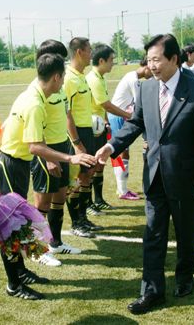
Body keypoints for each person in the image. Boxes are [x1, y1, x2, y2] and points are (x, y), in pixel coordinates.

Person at [96, 34, 194, 314]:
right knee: (153, 235)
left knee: (187, 233)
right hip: (154, 177)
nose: (152, 65)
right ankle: (151, 292)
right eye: (149, 60)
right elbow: (136, 122)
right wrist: (111, 145)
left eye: (157, 59)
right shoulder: (146, 89)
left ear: (174, 59)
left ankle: (185, 277)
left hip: (186, 179)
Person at [0, 53, 96, 300]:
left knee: (17, 226)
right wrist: (70, 158)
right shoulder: (35, 103)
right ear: (57, 77)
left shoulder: (33, 94)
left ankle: (21, 272)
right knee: (9, 229)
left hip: (16, 164)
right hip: (9, 167)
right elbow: (35, 145)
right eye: (62, 80)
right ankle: (14, 284)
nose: (62, 86)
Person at [29, 40, 82, 267]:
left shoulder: (59, 86)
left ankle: (56, 243)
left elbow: (66, 115)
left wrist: (75, 143)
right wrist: (48, 157)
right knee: (43, 202)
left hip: (62, 147)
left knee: (60, 197)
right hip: (46, 150)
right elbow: (34, 133)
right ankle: (37, 251)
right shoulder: (39, 90)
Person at [86, 44, 134, 209]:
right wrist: (128, 115)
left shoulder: (99, 78)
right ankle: (89, 203)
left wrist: (106, 122)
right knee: (91, 167)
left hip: (99, 128)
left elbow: (102, 107)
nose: (113, 63)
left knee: (99, 164)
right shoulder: (93, 79)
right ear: (101, 60)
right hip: (90, 130)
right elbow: (106, 104)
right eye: (111, 60)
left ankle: (98, 201)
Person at [63, 37, 102, 238]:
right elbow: (66, 113)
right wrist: (76, 143)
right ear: (79, 52)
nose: (91, 54)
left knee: (87, 174)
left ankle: (83, 218)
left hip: (87, 131)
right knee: (76, 179)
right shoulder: (68, 78)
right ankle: (76, 222)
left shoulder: (81, 76)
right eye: (89, 50)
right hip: (77, 134)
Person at [108, 58, 152, 200]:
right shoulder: (133, 79)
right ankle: (122, 190)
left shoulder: (133, 77)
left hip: (118, 116)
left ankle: (121, 188)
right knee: (122, 152)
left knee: (121, 152)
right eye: (151, 69)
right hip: (118, 116)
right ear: (146, 67)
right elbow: (140, 102)